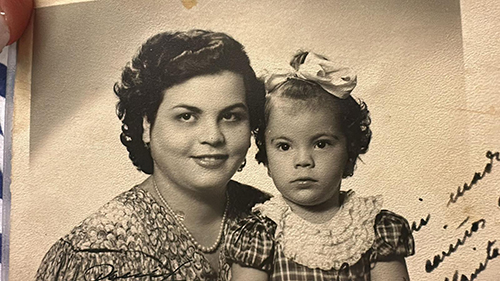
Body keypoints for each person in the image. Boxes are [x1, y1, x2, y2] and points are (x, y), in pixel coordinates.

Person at [35, 29, 269, 281]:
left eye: (230, 116)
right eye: (187, 116)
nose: (213, 137)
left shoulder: (276, 216)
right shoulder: (89, 254)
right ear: (147, 125)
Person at [225, 51, 415, 280]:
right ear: (266, 157)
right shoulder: (259, 235)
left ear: (349, 152)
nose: (303, 160)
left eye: (321, 144)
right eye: (285, 147)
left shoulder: (375, 229)